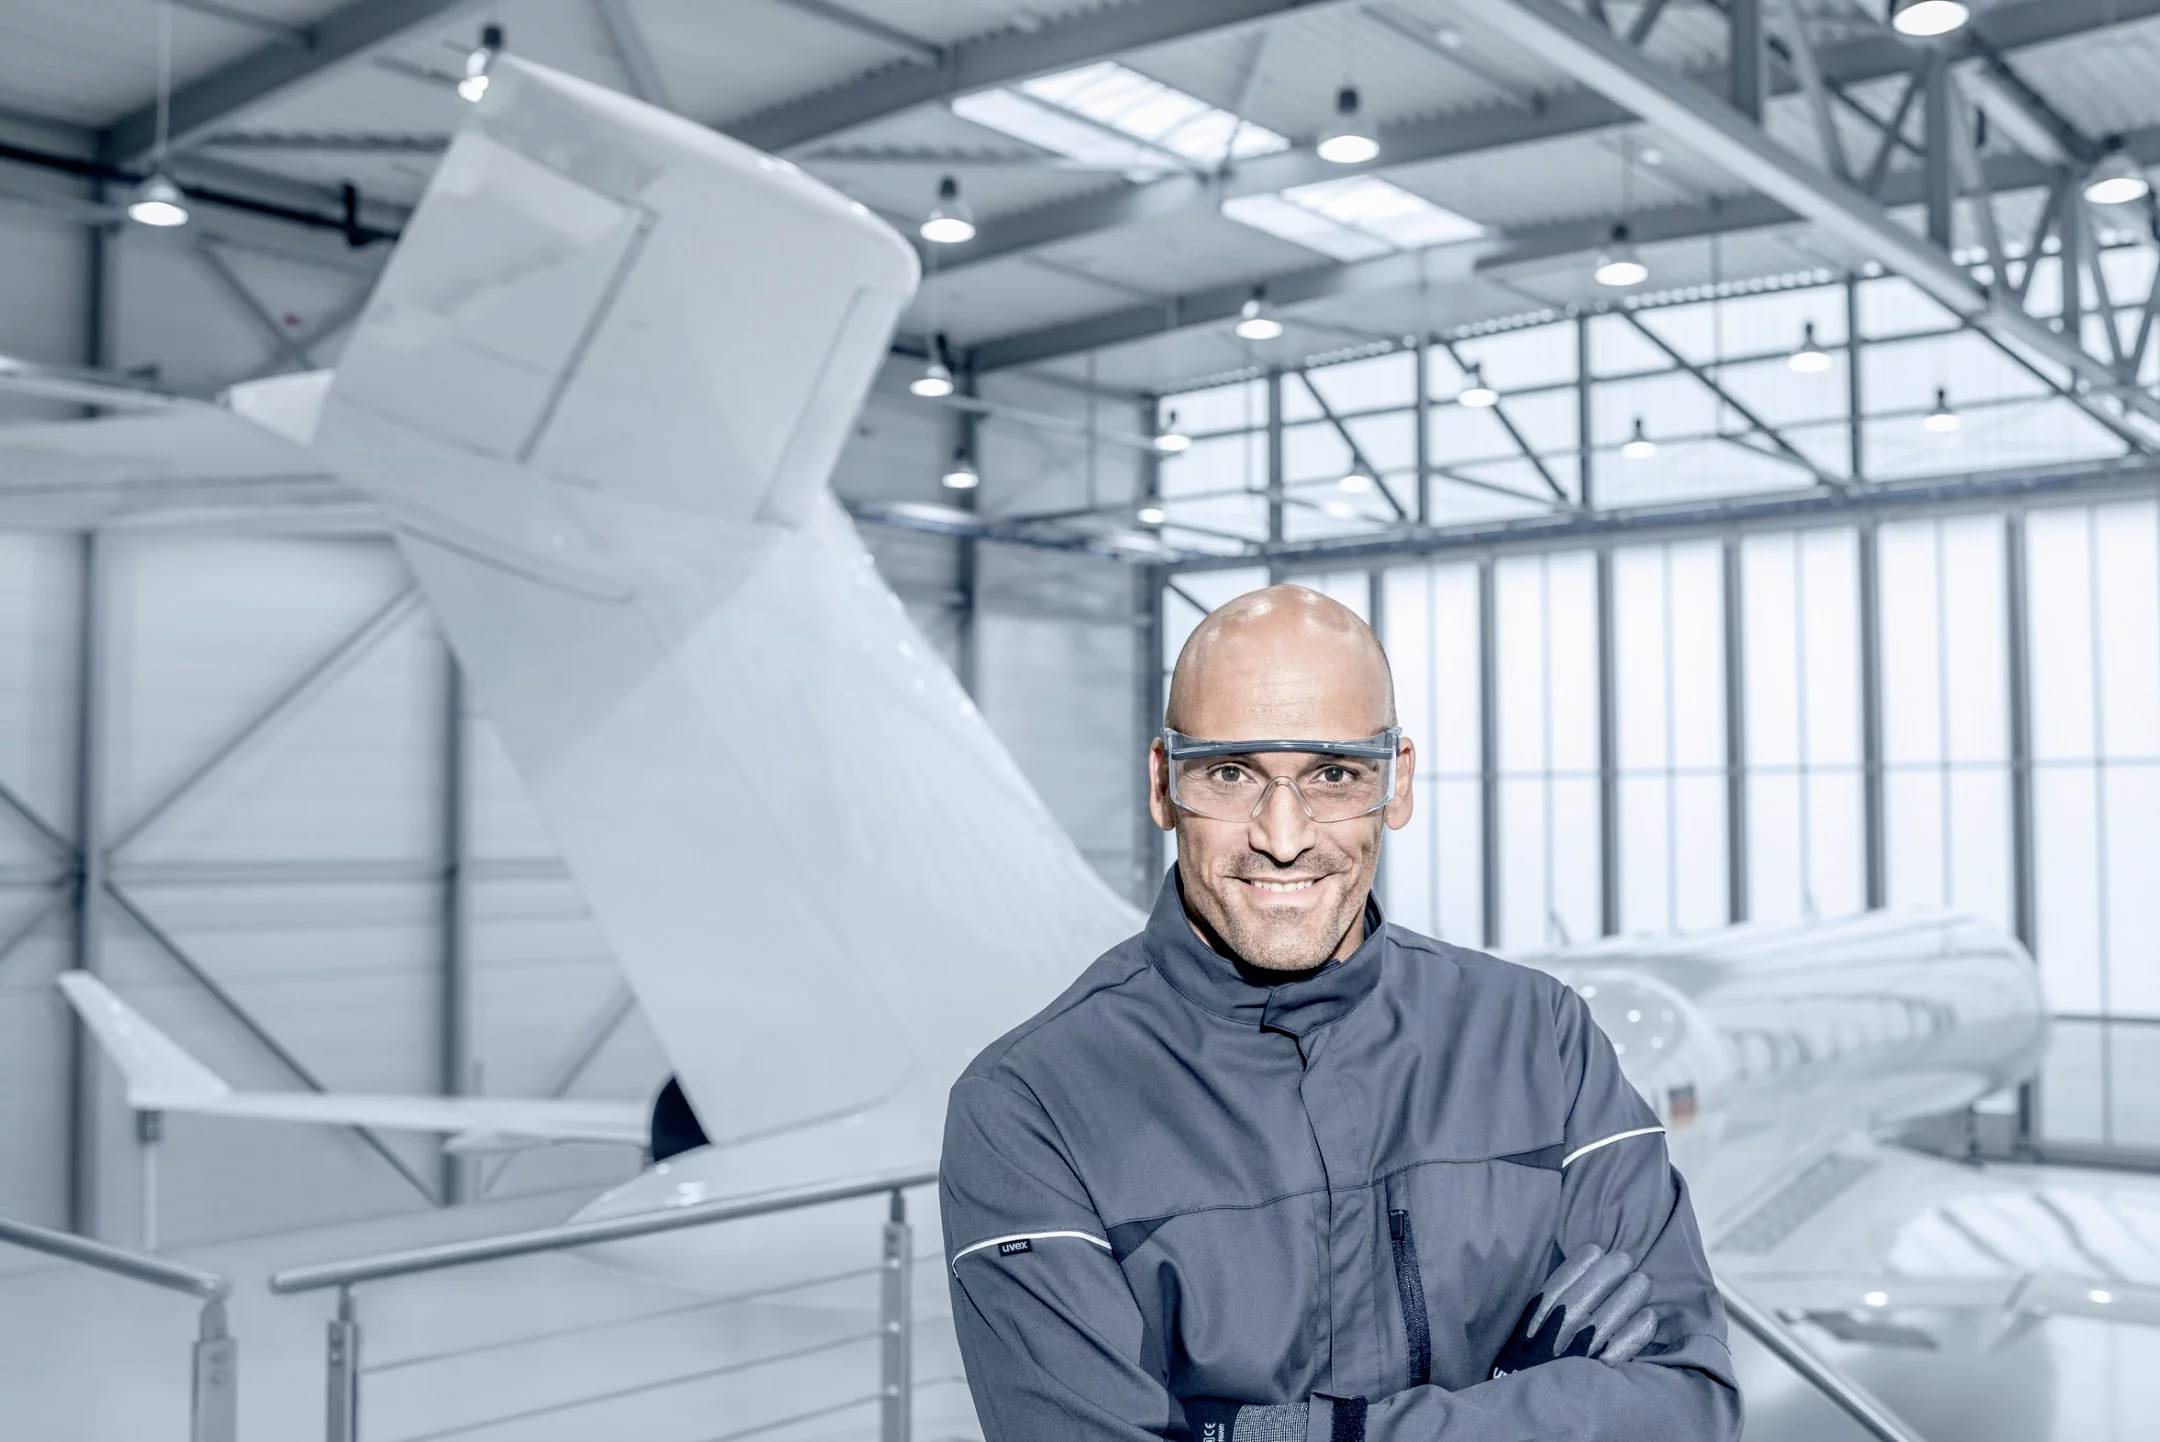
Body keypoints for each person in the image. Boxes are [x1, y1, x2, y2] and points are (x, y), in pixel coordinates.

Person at [939, 584, 1742, 1440]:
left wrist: (1277, 1432)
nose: (1282, 836)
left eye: (1332, 775)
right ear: (1163, 786)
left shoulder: (1541, 1038)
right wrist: (1528, 1404)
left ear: (1397, 783)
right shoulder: (1029, 1108)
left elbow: (1687, 1408)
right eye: (1230, 773)